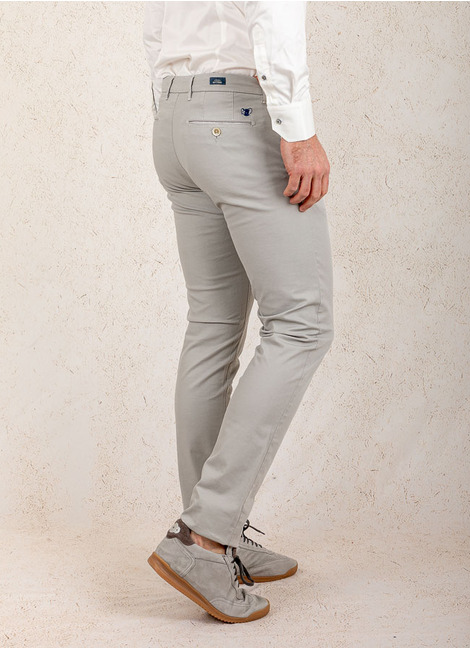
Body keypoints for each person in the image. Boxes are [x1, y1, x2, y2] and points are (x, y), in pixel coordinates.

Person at [142, 0, 334, 623]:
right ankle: (206, 536)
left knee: (212, 325)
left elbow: (155, 25)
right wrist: (297, 128)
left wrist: (172, 106)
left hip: (176, 118)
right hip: (235, 113)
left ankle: (209, 535)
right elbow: (273, 11)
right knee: (301, 324)